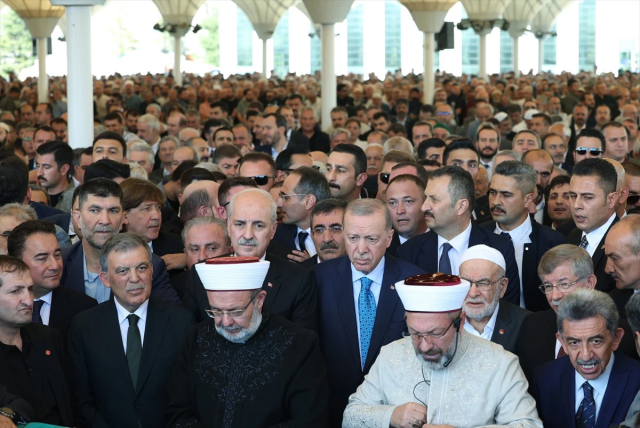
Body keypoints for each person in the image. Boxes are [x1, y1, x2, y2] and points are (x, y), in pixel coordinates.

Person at [343, 271, 542, 428]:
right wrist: (391, 416)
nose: (424, 345)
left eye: (436, 333)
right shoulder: (390, 355)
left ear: (460, 322)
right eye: (415, 333)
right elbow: (350, 417)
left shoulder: (501, 364)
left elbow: (528, 425)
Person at [165, 256, 329, 427]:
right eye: (216, 311)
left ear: (259, 300)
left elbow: (309, 421)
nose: (226, 322)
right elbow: (177, 411)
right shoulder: (196, 339)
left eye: (236, 311)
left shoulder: (300, 345)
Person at [313, 199, 424, 426]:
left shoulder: (413, 281)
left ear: (389, 238)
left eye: (371, 239)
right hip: (331, 410)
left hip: (394, 410)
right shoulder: (318, 278)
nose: (361, 249)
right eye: (353, 238)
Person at [66, 233, 194, 428]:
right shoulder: (84, 326)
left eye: (141, 268)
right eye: (123, 271)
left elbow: (189, 394)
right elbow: (81, 399)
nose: (134, 278)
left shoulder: (181, 322)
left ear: (151, 271)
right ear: (105, 278)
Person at [182, 189, 318, 331]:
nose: (248, 235)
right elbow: (193, 337)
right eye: (239, 224)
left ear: (273, 230)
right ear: (228, 227)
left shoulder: (298, 279)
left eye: (258, 225)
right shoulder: (201, 273)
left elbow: (302, 341)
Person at [397, 166, 521, 305]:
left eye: (434, 199)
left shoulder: (499, 248)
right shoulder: (408, 252)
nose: (424, 206)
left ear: (461, 206)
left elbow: (508, 308)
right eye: (426, 198)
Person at [516, 244, 638, 383]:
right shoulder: (531, 326)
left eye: (564, 284)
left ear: (589, 283)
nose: (554, 296)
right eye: (548, 286)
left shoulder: (623, 332)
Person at [531, 289, 640, 428]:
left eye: (595, 341)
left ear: (615, 338)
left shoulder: (637, 381)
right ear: (562, 342)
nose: (585, 355)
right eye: (574, 343)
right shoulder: (544, 378)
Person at [62, 178, 180, 305]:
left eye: (113, 211)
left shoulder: (151, 264)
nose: (105, 220)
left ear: (123, 218)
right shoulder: (59, 263)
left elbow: (174, 316)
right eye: (95, 210)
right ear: (77, 218)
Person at [0, 256, 74, 426]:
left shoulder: (49, 338)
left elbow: (71, 400)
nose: (28, 300)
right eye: (15, 291)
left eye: (30, 289)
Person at [483, 161, 564, 311]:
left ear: (528, 200)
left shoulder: (553, 243)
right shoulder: (475, 236)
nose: (496, 201)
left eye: (506, 195)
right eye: (493, 192)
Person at [7, 220, 96, 341]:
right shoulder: (4, 307)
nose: (55, 266)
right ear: (17, 261)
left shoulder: (84, 309)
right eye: (42, 258)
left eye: (57, 255)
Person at [460, 245, 529, 353]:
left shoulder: (527, 324)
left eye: (483, 283)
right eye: (465, 283)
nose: (473, 293)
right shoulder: (444, 321)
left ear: (502, 286)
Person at [566, 158, 619, 292]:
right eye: (573, 196)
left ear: (611, 199)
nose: (577, 205)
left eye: (588, 197)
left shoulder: (626, 243)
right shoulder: (570, 236)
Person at [273, 167, 331, 262]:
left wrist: (312, 266)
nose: (279, 203)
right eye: (280, 196)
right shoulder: (276, 235)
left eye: (285, 197)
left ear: (309, 201)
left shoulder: (337, 235)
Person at [120, 178, 184, 258]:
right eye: (147, 208)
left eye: (158, 207)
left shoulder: (178, 246)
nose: (156, 216)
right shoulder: (109, 250)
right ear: (124, 217)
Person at [385, 174, 427, 256]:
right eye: (392, 203)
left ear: (425, 203)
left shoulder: (442, 241)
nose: (400, 211)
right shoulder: (381, 250)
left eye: (408, 201)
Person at [305, 198, 348, 268]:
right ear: (312, 236)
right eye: (319, 230)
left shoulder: (364, 271)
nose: (327, 239)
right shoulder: (300, 275)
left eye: (336, 229)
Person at [35, 141, 75, 211]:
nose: (39, 173)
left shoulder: (76, 199)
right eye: (38, 166)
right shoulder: (34, 195)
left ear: (64, 169)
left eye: (46, 167)